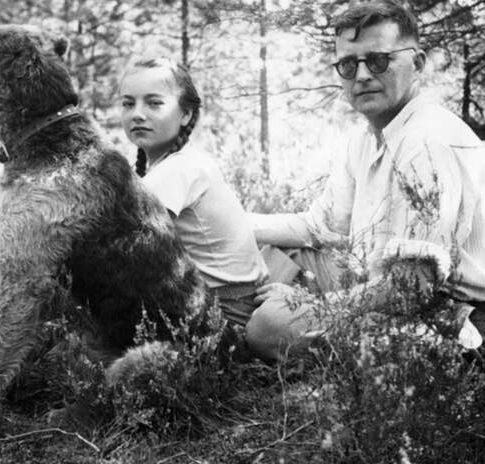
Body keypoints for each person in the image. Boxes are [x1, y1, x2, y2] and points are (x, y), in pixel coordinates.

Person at [246, 0, 485, 359]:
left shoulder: (427, 141)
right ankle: (228, 333)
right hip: (379, 289)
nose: (361, 76)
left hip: (450, 314)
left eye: (378, 61)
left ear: (417, 63)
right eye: (348, 64)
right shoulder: (366, 136)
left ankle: (262, 344)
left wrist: (310, 302)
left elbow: (411, 287)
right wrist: (233, 223)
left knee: (270, 326)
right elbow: (319, 227)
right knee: (279, 253)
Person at [119, 58, 288, 325]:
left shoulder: (180, 168)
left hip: (227, 309)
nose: (137, 114)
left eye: (154, 103)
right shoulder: (173, 164)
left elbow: (119, 237)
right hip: (220, 298)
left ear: (186, 114)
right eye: (128, 103)